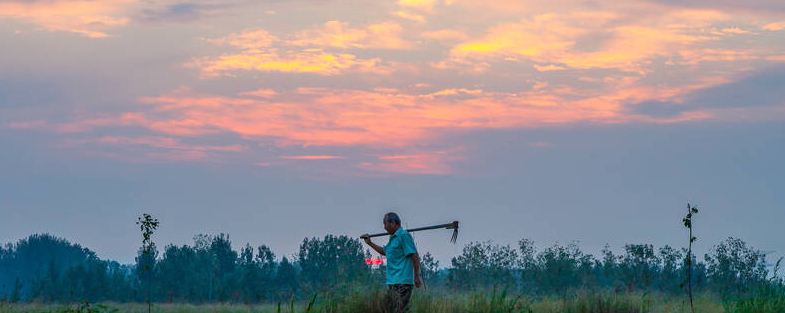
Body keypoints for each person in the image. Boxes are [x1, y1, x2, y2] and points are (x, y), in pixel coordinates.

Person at [361, 212, 423, 313]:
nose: (384, 227)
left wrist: (416, 276)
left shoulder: (403, 235)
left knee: (399, 310)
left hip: (403, 282)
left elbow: (414, 255)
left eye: (385, 224)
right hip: (392, 282)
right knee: (389, 309)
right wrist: (370, 243)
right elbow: (385, 251)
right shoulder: (393, 238)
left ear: (394, 223)